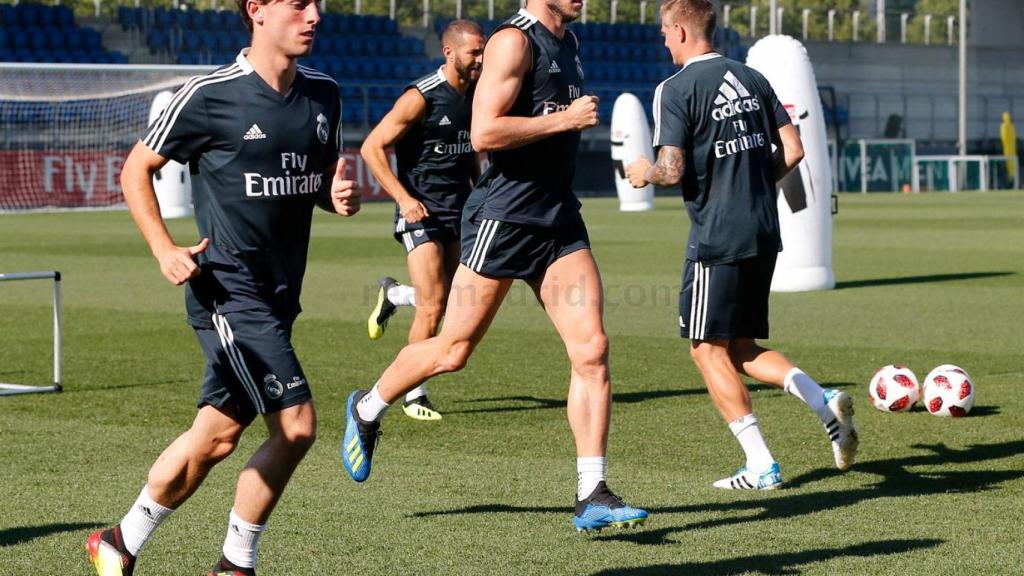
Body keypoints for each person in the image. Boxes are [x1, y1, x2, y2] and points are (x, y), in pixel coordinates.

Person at [341, 0, 648, 532]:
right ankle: (367, 408)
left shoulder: (569, 43)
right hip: (506, 218)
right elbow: (485, 133)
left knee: (592, 349)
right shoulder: (513, 41)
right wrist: (566, 121)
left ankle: (591, 491)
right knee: (454, 350)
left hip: (557, 216)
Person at [86, 0, 358, 574]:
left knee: (214, 438)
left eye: (316, 5)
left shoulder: (325, 94)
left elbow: (307, 181)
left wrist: (331, 197)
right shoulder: (208, 95)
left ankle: (118, 540)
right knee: (298, 425)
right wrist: (164, 247)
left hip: (282, 292)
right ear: (256, 10)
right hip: (228, 291)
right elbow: (136, 170)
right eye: (297, 4)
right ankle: (235, 564)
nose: (313, 15)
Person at [625, 0, 858, 490]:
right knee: (741, 348)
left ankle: (761, 465)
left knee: (705, 349)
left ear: (682, 32)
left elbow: (670, 170)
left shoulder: (676, 88)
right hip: (763, 230)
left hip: (717, 236)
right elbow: (792, 150)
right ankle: (824, 402)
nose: (663, 41)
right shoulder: (752, 78)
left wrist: (641, 173)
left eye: (666, 32)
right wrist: (753, 183)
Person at [361, 20, 485, 422]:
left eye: (483, 51)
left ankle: (394, 295)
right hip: (422, 211)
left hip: (460, 209)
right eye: (474, 52)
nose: (481, 59)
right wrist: (403, 198)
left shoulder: (481, 94)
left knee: (449, 300)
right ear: (449, 52)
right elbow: (372, 147)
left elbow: (473, 153)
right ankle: (415, 394)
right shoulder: (422, 96)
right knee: (432, 308)